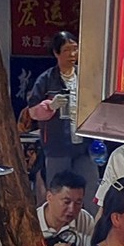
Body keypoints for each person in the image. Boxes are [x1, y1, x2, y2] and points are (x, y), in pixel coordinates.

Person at [18, 32, 97, 198]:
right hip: (57, 147)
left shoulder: (85, 77)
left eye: (75, 49)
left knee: (90, 189)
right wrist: (50, 106)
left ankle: (89, 216)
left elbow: (97, 102)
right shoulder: (46, 79)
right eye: (67, 50)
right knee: (59, 192)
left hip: (84, 146)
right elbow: (32, 111)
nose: (72, 54)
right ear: (56, 52)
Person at [37, 170, 94, 246]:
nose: (72, 209)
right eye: (66, 202)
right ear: (49, 197)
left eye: (78, 203)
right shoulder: (31, 222)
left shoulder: (85, 220)